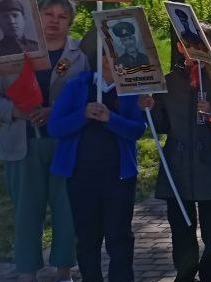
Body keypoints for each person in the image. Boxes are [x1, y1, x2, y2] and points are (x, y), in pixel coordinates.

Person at [0, 0, 85, 282]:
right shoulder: (12, 55)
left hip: (65, 145)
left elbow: (89, 98)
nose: (54, 20)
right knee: (27, 214)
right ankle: (27, 273)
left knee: (67, 212)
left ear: (70, 22)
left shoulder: (79, 54)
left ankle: (63, 271)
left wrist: (57, 113)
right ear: (36, 17)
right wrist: (16, 111)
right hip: (21, 144)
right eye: (48, 14)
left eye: (62, 16)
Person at [47, 29, 147, 282]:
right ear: (97, 58)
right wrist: (82, 114)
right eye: (105, 56)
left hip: (119, 177)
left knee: (120, 238)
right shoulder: (77, 86)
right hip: (81, 177)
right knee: (87, 238)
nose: (110, 62)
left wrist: (110, 119)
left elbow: (137, 130)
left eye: (116, 56)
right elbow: (55, 127)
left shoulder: (132, 89)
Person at [145, 21, 211, 282]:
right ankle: (185, 274)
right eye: (189, 45)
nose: (195, 50)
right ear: (180, 48)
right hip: (178, 168)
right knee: (181, 229)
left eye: (202, 45)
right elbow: (161, 125)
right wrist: (150, 107)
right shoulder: (169, 83)